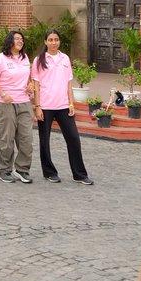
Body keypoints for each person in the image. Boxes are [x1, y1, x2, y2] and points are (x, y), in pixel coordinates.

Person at [31, 30, 93, 185]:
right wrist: (37, 106)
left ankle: (79, 174)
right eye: (50, 40)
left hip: (64, 105)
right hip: (45, 106)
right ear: (45, 42)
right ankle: (49, 172)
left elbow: (68, 83)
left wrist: (71, 103)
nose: (53, 42)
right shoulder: (39, 60)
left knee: (73, 138)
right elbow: (36, 86)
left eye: (56, 39)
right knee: (45, 140)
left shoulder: (64, 58)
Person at [0, 30, 34, 184]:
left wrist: (29, 86)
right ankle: (3, 170)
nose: (20, 41)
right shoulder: (0, 59)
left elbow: (27, 78)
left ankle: (22, 169)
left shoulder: (24, 58)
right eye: (16, 39)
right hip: (5, 103)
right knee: (7, 139)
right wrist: (3, 94)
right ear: (9, 41)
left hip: (24, 102)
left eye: (21, 39)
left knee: (26, 139)